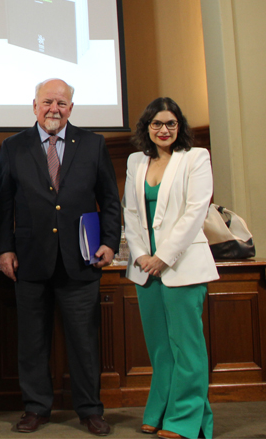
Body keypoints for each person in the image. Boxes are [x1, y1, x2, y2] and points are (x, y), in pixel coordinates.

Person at [0, 78, 120, 436]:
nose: (54, 109)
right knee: (32, 342)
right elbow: (2, 203)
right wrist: (5, 248)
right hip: (30, 261)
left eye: (61, 103)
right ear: (34, 106)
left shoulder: (93, 144)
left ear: (71, 109)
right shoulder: (14, 146)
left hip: (81, 260)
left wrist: (110, 241)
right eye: (47, 102)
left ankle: (90, 410)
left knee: (84, 342)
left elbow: (109, 199)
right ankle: (36, 409)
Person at [123, 98, 217, 439]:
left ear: (180, 127)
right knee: (160, 347)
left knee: (186, 347)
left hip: (183, 265)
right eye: (157, 124)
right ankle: (161, 411)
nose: (164, 130)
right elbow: (131, 214)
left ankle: (185, 419)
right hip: (145, 269)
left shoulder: (195, 158)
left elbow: (195, 212)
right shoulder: (136, 160)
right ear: (147, 128)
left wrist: (163, 256)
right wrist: (140, 256)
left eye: (171, 124)